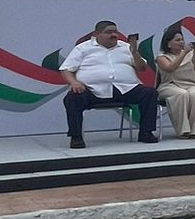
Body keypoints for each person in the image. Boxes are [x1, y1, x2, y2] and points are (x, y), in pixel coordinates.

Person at [59, 19, 160, 149]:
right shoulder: (83, 48)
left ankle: (146, 132)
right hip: (93, 90)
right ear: (97, 34)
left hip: (125, 88)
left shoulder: (125, 47)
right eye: (109, 32)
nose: (114, 35)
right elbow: (66, 69)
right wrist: (74, 82)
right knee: (72, 98)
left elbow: (142, 68)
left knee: (150, 93)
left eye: (115, 32)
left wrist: (135, 52)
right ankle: (76, 137)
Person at [155, 24, 195, 139]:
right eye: (177, 40)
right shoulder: (162, 57)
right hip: (169, 86)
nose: (181, 42)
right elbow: (170, 68)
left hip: (190, 84)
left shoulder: (190, 55)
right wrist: (184, 53)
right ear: (169, 44)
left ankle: (194, 130)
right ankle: (183, 130)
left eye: (182, 39)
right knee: (181, 94)